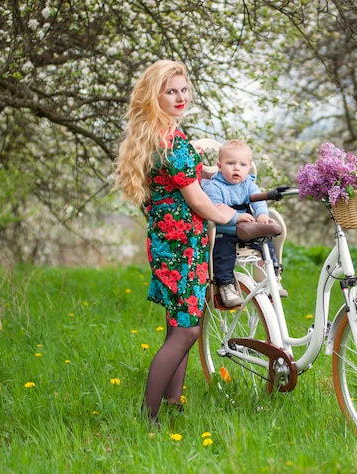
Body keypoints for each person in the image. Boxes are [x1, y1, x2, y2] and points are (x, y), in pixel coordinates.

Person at [114, 60, 236, 426]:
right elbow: (198, 201)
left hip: (166, 241)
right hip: (182, 243)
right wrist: (233, 216)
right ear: (156, 96)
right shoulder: (172, 141)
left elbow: (172, 182)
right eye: (171, 91)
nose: (181, 97)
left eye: (184, 89)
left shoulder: (154, 134)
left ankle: (173, 405)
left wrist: (204, 169)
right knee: (187, 330)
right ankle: (147, 418)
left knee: (178, 323)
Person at [202, 139, 287, 308]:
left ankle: (272, 277)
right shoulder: (214, 186)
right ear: (219, 165)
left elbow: (258, 199)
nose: (236, 168)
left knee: (266, 244)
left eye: (242, 164)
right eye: (230, 163)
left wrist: (262, 214)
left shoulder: (248, 183)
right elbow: (216, 209)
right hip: (225, 229)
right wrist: (236, 217)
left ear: (248, 168)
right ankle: (225, 285)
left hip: (247, 230)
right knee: (223, 252)